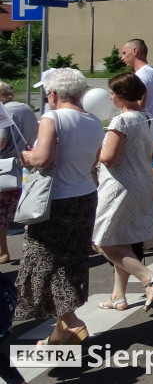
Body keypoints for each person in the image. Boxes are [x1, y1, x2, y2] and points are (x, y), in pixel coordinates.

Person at [15, 68, 105, 346]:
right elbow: (92, 160)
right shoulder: (94, 121)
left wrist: (25, 156)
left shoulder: (51, 117)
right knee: (70, 263)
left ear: (53, 95)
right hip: (85, 196)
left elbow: (42, 160)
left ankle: (73, 325)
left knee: (44, 261)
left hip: (56, 201)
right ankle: (61, 332)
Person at [92, 73, 153, 312]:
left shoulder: (121, 122)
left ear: (122, 96)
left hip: (119, 186)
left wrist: (94, 151)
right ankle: (118, 296)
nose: (110, 96)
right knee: (122, 239)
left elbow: (109, 159)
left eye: (112, 92)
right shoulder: (147, 118)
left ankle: (147, 277)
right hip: (141, 184)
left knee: (101, 241)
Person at [121, 38, 153, 252]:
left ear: (135, 51)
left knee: (146, 188)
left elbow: (137, 106)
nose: (122, 57)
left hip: (146, 136)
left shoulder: (140, 76)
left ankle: (151, 236)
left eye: (124, 53)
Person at [0, 83, 36, 265]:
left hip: (4, 169)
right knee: (23, 211)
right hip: (24, 165)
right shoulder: (25, 108)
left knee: (2, 214)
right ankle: (32, 250)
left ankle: (3, 252)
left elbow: (1, 140)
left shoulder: (2, 111)